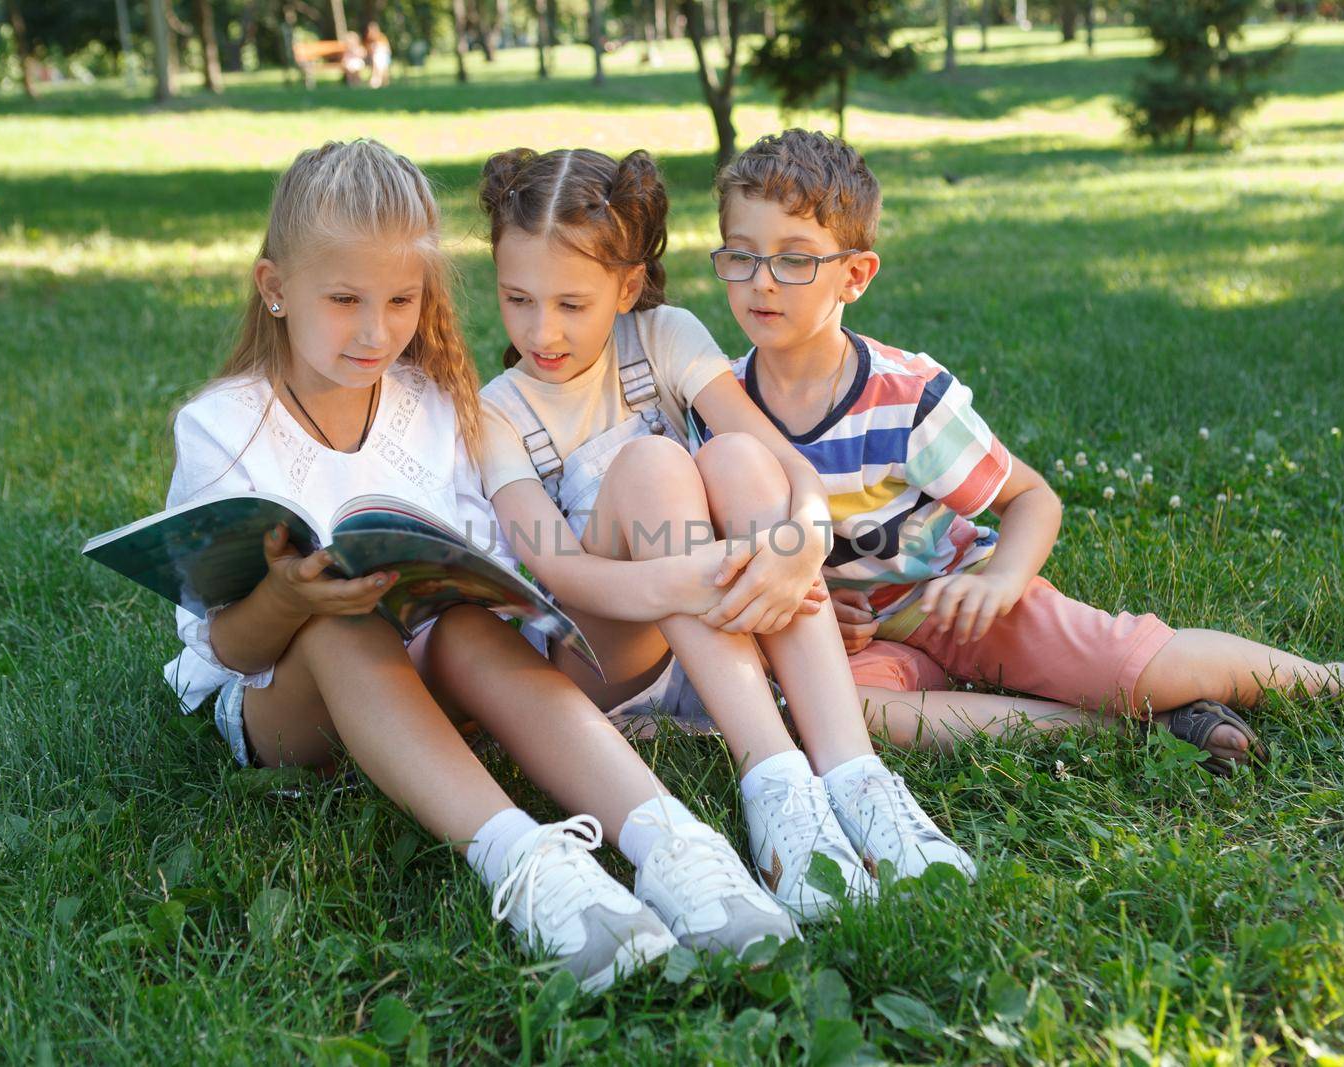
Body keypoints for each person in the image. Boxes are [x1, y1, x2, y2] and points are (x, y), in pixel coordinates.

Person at [161, 139, 795, 993]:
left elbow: (483, 565)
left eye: (400, 299)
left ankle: (672, 844)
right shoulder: (221, 426)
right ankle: (531, 868)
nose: (375, 330)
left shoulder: (432, 402)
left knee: (461, 622)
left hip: (436, 672)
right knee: (342, 620)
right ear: (275, 288)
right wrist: (284, 593)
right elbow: (230, 650)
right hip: (294, 708)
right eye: (344, 298)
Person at [701, 128, 1344, 770]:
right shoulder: (718, 406)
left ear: (855, 275)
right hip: (866, 643)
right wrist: (813, 605)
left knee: (1139, 668)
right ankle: (1123, 733)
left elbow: (1031, 499)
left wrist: (1004, 580)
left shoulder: (904, 396)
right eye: (740, 254)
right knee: (848, 717)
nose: (761, 281)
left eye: (795, 258)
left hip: (963, 596)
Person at [475, 146, 975, 923]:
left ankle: (854, 775)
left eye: (572, 304)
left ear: (628, 286)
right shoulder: (498, 410)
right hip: (606, 650)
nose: (542, 329)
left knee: (737, 454)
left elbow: (786, 468)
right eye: (517, 299)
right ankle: (773, 782)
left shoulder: (665, 335)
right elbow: (558, 570)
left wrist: (801, 543)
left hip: (713, 627)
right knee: (651, 464)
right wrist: (687, 578)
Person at [364, 22, 391, 88]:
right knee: (376, 60)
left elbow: (387, 49)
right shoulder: (369, 39)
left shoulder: (382, 37)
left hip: (383, 57)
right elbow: (367, 51)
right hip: (373, 58)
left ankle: (377, 80)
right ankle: (376, 80)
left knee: (378, 60)